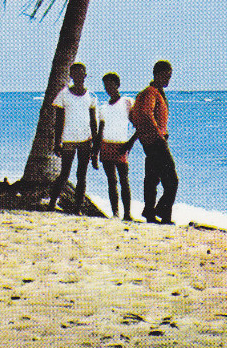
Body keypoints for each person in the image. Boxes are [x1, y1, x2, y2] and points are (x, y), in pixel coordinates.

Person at [47, 62, 99, 214]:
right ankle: (52, 203)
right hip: (68, 140)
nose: (78, 77)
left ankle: (78, 208)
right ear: (71, 76)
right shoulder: (63, 94)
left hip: (85, 140)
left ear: (85, 75)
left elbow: (93, 122)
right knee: (64, 173)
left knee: (82, 175)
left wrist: (95, 145)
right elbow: (58, 120)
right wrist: (57, 142)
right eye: (75, 74)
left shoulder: (91, 96)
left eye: (81, 73)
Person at [130, 60, 178, 225]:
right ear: (158, 74)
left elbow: (135, 116)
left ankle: (152, 214)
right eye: (167, 76)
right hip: (156, 143)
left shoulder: (150, 92)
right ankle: (159, 212)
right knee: (171, 180)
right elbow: (145, 113)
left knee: (152, 178)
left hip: (149, 142)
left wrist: (156, 132)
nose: (168, 80)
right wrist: (158, 133)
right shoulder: (151, 92)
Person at [96, 73, 139, 220]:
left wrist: (130, 143)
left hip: (121, 146)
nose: (108, 88)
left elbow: (138, 125)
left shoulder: (127, 102)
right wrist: (95, 152)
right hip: (106, 146)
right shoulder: (103, 108)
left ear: (117, 84)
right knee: (111, 181)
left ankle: (127, 214)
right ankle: (115, 213)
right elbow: (100, 131)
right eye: (105, 86)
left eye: (110, 84)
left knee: (124, 180)